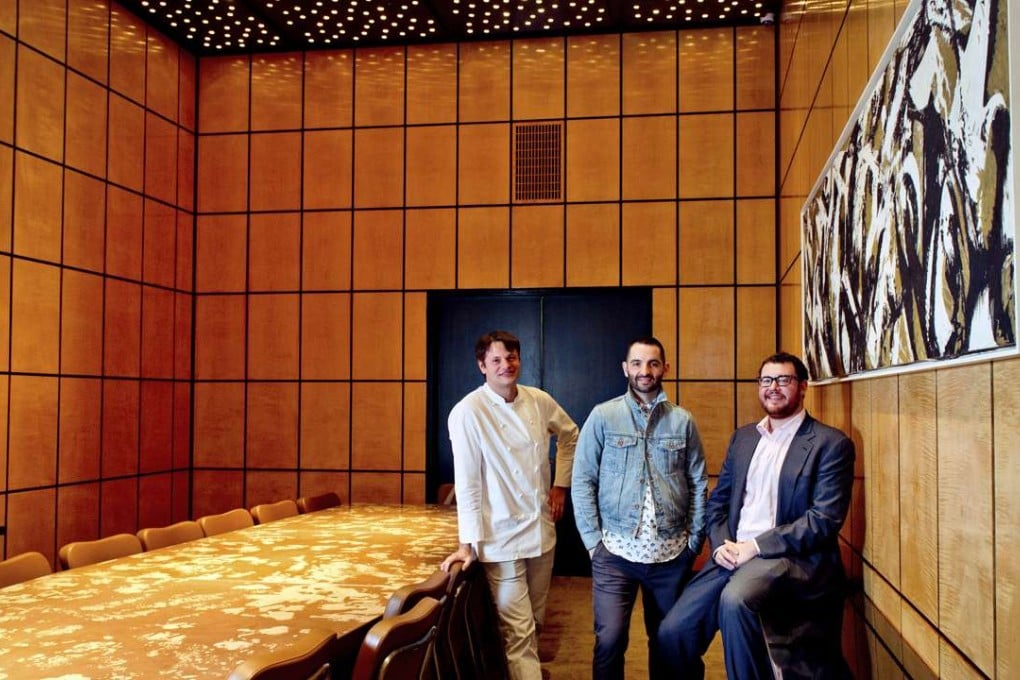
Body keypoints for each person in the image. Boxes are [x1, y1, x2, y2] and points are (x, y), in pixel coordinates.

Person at [657, 351, 855, 679]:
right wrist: (721, 544)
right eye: (766, 380)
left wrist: (755, 547)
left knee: (736, 602)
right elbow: (717, 503)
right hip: (731, 553)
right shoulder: (745, 437)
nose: (773, 387)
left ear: (803, 387)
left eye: (783, 380)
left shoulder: (830, 444)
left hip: (787, 557)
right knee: (673, 633)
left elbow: (823, 520)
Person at [440, 330, 579, 680]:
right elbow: (467, 483)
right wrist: (465, 543)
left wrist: (561, 486)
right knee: (518, 633)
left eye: (512, 357)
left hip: (540, 532)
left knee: (534, 621)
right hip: (499, 539)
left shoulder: (538, 400)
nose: (506, 365)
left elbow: (570, 435)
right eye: (497, 360)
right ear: (482, 365)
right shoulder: (467, 412)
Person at [571, 336, 708, 680]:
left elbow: (698, 483)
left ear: (665, 368)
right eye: (637, 363)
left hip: (671, 553)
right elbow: (582, 479)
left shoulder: (682, 421)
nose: (644, 371)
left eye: (653, 363)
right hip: (615, 554)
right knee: (610, 640)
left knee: (667, 641)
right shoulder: (603, 416)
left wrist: (693, 543)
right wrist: (593, 543)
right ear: (625, 368)